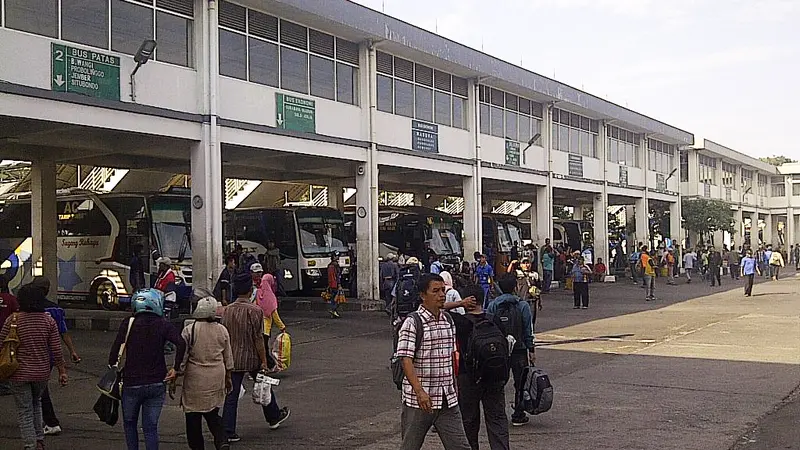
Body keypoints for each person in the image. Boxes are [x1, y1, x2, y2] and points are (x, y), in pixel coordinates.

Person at [395, 274, 471, 450]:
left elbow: (452, 357)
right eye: (435, 291)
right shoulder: (413, 322)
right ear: (423, 295)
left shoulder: (448, 321)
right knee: (410, 446)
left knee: (460, 446)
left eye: (443, 290)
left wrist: (454, 387)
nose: (441, 295)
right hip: (419, 402)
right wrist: (419, 392)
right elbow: (405, 359)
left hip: (447, 400)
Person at [109, 288, 186, 450]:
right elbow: (181, 342)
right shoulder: (163, 324)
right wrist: (175, 368)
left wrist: (113, 367)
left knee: (130, 424)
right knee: (150, 427)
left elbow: (114, 352)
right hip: (157, 382)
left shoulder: (128, 323)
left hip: (131, 383)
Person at [222, 272, 290, 443]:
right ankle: (273, 416)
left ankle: (228, 430)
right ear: (249, 289)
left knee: (231, 394)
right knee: (264, 385)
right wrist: (264, 361)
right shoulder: (255, 311)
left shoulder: (227, 311)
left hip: (233, 358)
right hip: (252, 357)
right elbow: (258, 338)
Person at [1, 284, 68, 450]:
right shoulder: (48, 320)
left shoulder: (13, 320)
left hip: (18, 373)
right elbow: (56, 349)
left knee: (24, 411)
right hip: (41, 372)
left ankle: (30, 445)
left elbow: (1, 342)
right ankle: (39, 441)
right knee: (37, 404)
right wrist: (62, 371)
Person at [450, 284, 510, 450]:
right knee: (497, 418)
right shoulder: (493, 319)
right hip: (495, 375)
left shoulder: (460, 322)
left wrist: (458, 304)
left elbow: (435, 309)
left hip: (468, 377)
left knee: (469, 420)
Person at [27, 276, 80, 436]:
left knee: (38, 390)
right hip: (50, 354)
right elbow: (63, 332)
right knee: (38, 388)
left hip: (34, 353)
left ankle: (50, 422)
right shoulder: (55, 310)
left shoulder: (28, 309)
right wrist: (72, 351)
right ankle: (43, 420)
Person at [179, 297, 233, 450]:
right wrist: (228, 377)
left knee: (192, 417)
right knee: (213, 413)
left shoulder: (190, 329)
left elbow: (183, 357)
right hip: (217, 376)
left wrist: (177, 373)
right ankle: (222, 440)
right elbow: (228, 358)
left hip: (195, 379)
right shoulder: (222, 330)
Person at [486, 274, 535, 427]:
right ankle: (518, 414)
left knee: (498, 381)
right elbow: (528, 330)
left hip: (499, 350)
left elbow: (488, 327)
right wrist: (531, 350)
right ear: (515, 287)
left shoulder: (493, 305)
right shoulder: (522, 305)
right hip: (519, 349)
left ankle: (497, 414)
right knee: (520, 382)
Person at [253, 266, 286, 371]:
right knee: (264, 349)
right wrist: (282, 327)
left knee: (260, 349)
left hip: (256, 327)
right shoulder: (270, 297)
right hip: (265, 329)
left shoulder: (258, 293)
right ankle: (268, 366)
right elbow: (274, 315)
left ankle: (265, 367)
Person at [325, 251, 346, 318]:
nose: (338, 257)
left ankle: (333, 313)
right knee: (337, 299)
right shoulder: (336, 265)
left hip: (331, 284)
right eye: (337, 256)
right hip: (335, 284)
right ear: (334, 257)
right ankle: (333, 310)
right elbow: (337, 276)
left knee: (333, 298)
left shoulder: (329, 265)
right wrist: (339, 284)